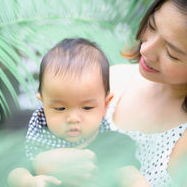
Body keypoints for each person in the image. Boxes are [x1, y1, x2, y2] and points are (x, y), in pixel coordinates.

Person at [30, 0, 187, 186]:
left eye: (172, 53)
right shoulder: (112, 79)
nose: (146, 49)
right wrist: (38, 165)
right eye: (152, 26)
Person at [8, 38, 145, 186]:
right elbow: (13, 171)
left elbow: (131, 178)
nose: (73, 118)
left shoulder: (113, 144)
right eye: (60, 108)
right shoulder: (34, 140)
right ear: (43, 104)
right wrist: (28, 181)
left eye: (87, 108)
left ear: (105, 105)